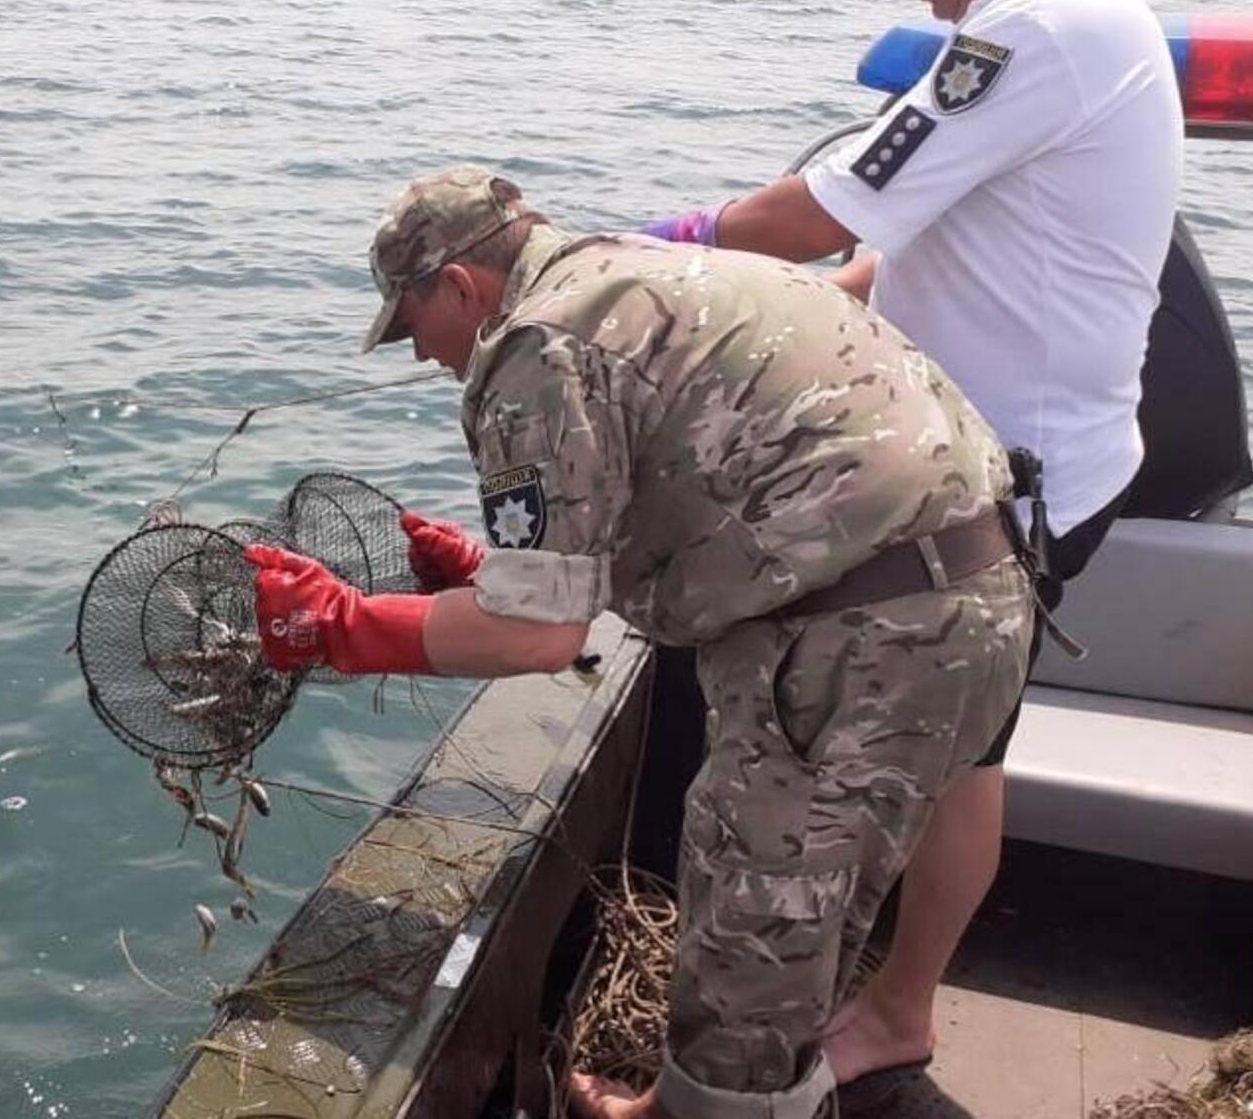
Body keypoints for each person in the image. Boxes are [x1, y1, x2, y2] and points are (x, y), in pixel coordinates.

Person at [248, 165, 1035, 1119]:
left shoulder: (535, 347)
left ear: (460, 287)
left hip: (863, 640)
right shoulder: (645, 271)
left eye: (413, 329)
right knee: (805, 901)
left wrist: (335, 627)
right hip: (979, 590)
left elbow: (538, 636)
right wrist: (480, 569)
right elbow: (716, 497)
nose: (422, 357)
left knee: (757, 921)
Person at [642, 0, 1180, 1099]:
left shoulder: (1034, 30)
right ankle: (897, 1007)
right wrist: (816, 317)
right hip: (1034, 461)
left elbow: (831, 211)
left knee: (855, 772)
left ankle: (857, 1023)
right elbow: (921, 242)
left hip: (1002, 487)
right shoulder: (1090, 15)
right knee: (968, 761)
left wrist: (663, 246)